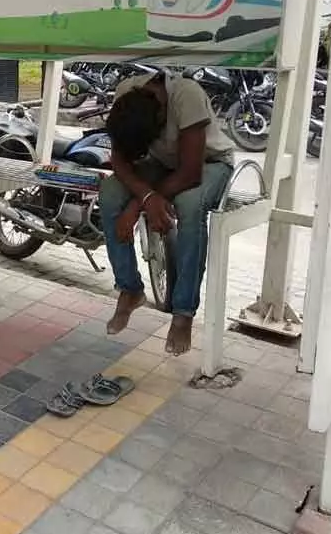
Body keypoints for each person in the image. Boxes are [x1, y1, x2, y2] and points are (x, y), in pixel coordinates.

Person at [99, 71, 235, 356]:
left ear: (162, 117)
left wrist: (139, 204)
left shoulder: (187, 95)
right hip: (162, 164)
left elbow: (190, 173)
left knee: (189, 206)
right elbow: (120, 162)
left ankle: (183, 310)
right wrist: (148, 196)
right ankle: (130, 289)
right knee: (110, 194)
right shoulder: (127, 94)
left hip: (206, 164)